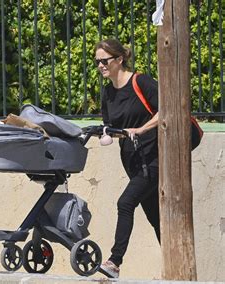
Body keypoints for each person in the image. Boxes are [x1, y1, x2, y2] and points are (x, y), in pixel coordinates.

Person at [95, 38, 160, 278]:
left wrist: (141, 130)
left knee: (125, 203)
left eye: (105, 60)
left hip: (154, 157)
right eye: (97, 62)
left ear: (119, 59)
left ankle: (114, 261)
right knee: (156, 219)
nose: (101, 66)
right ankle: (179, 274)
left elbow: (168, 108)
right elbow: (110, 126)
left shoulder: (140, 82)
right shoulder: (108, 93)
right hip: (132, 160)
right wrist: (103, 132)